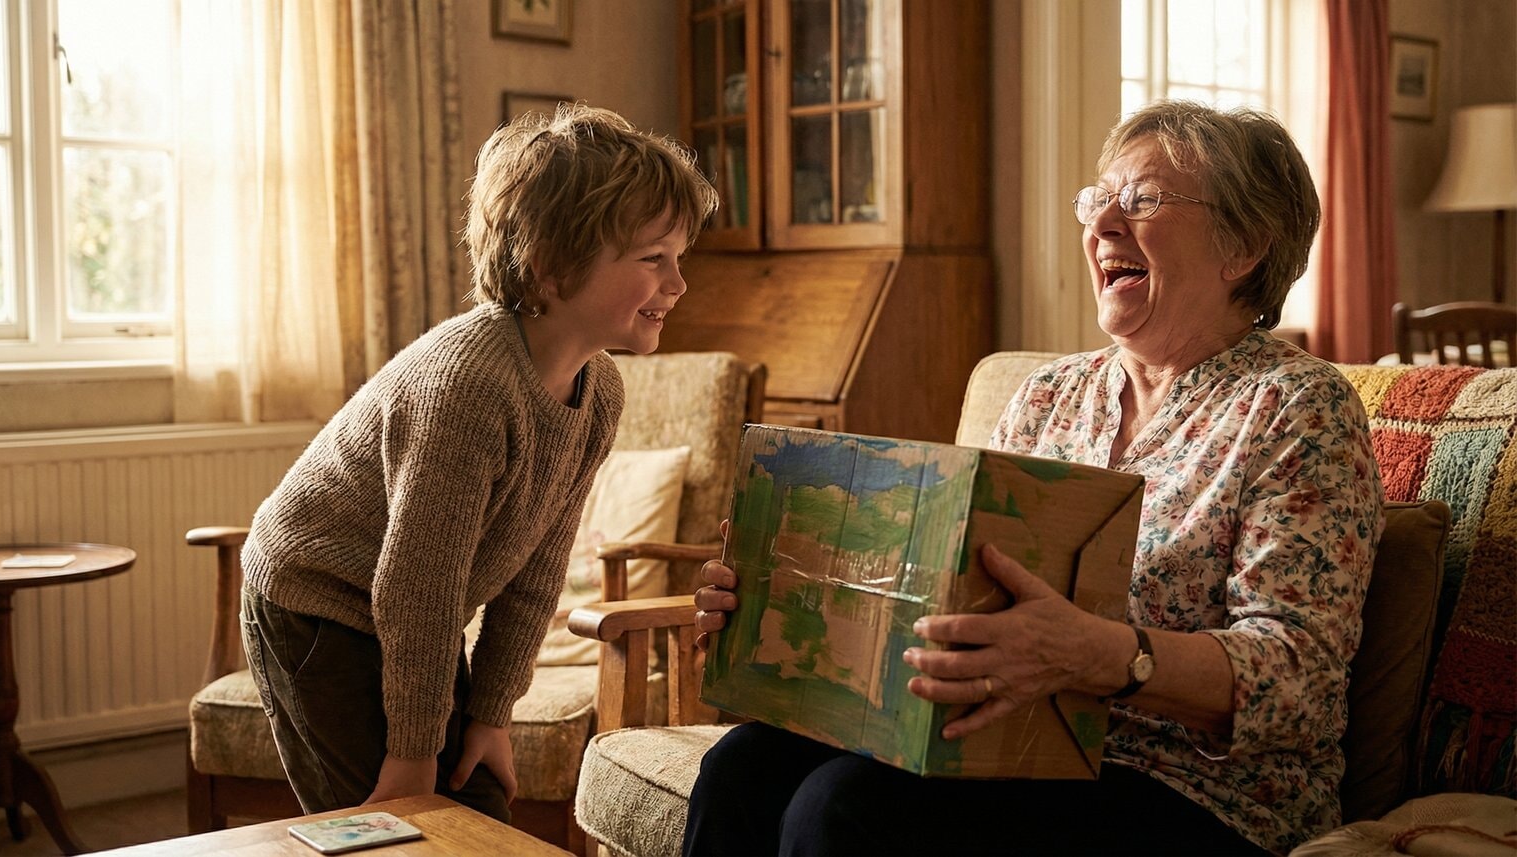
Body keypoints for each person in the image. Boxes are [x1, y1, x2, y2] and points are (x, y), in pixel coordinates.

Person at [687, 100, 1384, 856]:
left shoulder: (1296, 406)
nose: (1103, 225)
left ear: (1244, 245)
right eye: (1098, 200)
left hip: (1198, 793)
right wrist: (788, 588)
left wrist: (1101, 653)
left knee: (843, 809)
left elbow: (1300, 678)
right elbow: (953, 586)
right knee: (742, 766)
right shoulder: (1050, 394)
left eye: (1143, 200)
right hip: (1013, 747)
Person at [239, 104, 717, 822]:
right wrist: (412, 750)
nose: (678, 284)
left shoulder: (601, 390)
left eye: (678, 257)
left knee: (479, 811)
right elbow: (417, 588)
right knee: (395, 825)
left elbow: (536, 571)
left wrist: (491, 715)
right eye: (654, 258)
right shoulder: (468, 385)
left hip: (408, 618)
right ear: (552, 265)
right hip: (315, 604)